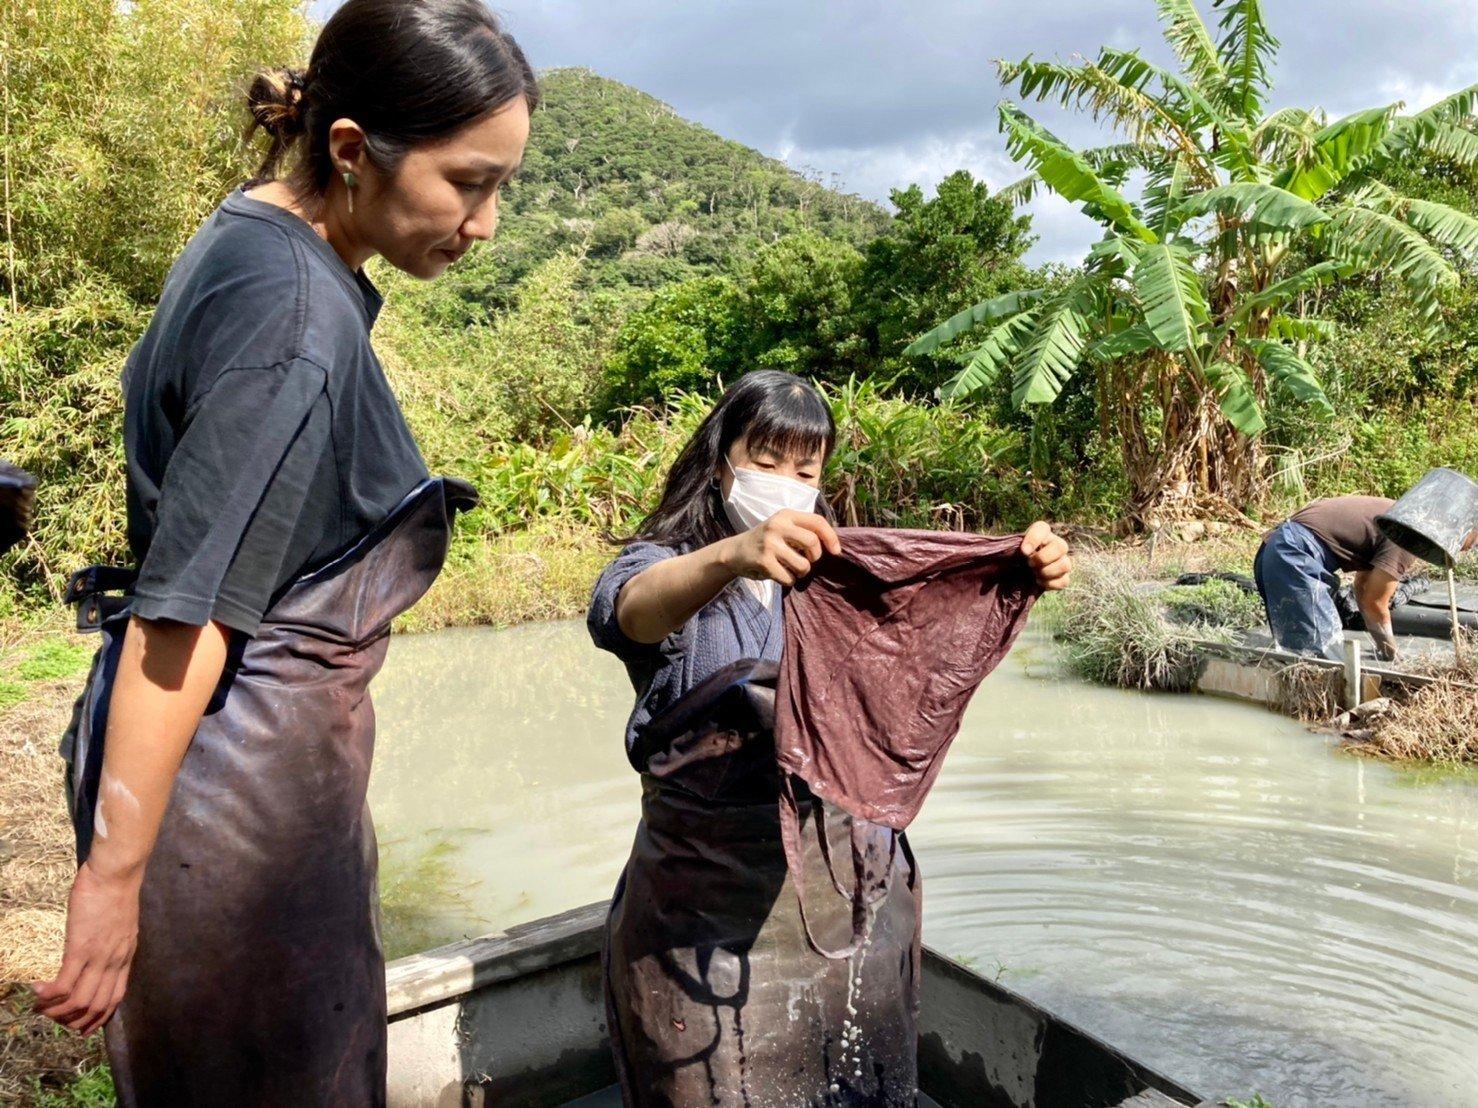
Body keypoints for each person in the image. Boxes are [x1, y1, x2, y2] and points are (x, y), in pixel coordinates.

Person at [32, 3, 536, 1103]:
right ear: (351, 150)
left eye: (502, 186)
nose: (486, 222)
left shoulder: (252, 239)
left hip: (250, 778)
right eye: (467, 182)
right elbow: (189, 613)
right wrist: (115, 875)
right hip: (229, 801)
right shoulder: (293, 322)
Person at [588, 370, 1071, 1106]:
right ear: (720, 463)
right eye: (766, 460)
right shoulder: (664, 566)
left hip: (849, 902)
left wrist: (1021, 564)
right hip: (701, 922)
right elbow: (628, 615)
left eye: (806, 470)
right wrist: (735, 555)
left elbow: (928, 640)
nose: (787, 483)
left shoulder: (842, 581)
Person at [1254, 495, 1418, 662]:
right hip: (1294, 554)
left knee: (1294, 653)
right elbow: (1375, 602)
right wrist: (1392, 653)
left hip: (1274, 547)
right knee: (1323, 661)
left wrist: (1383, 648)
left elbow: (1362, 587)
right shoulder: (1407, 534)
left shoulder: (1392, 513)